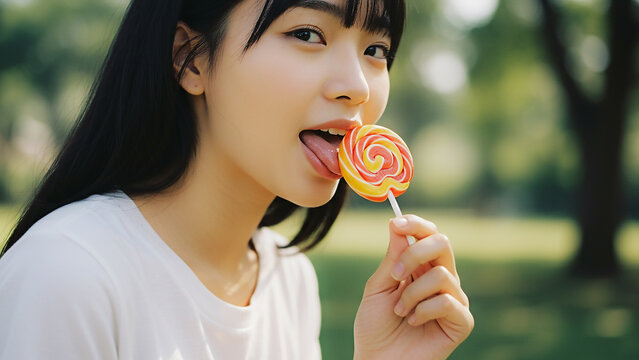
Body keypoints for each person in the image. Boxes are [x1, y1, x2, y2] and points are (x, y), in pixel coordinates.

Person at [0, 0, 474, 358]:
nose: (358, 86)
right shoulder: (68, 275)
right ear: (191, 59)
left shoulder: (289, 282)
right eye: (308, 33)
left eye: (376, 49)